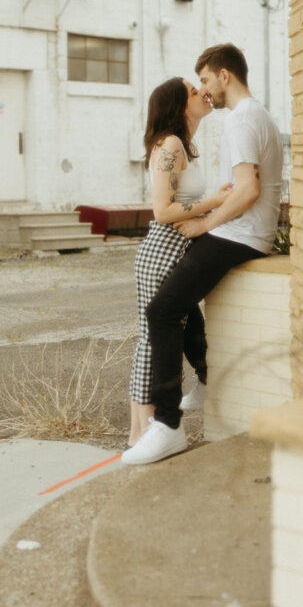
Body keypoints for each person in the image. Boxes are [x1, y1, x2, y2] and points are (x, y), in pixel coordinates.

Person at [121, 43, 283, 465]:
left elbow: (247, 190)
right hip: (241, 232)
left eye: (206, 80)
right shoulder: (250, 118)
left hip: (239, 234)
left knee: (161, 312)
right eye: (198, 87)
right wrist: (210, 209)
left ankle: (168, 426)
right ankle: (195, 391)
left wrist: (205, 223)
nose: (206, 90)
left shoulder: (241, 121)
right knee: (174, 306)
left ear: (225, 76)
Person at [127, 77, 231, 447]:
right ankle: (142, 430)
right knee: (152, 342)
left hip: (176, 250)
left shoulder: (186, 145)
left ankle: (145, 428)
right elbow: (162, 211)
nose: (202, 92)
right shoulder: (169, 144)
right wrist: (215, 202)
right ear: (178, 105)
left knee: (176, 333)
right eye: (191, 89)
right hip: (162, 252)